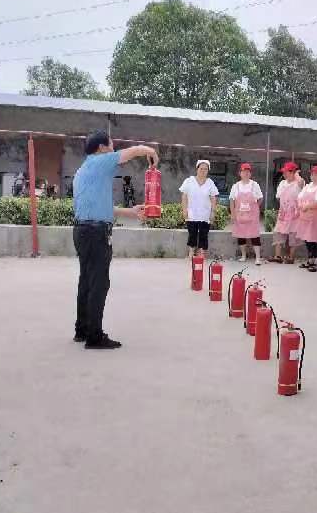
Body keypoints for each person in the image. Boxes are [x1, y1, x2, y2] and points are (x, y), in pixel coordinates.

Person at [72, 131, 158, 349]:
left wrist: (131, 212)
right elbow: (132, 152)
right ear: (101, 148)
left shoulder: (83, 170)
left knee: (87, 281)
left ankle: (82, 330)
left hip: (82, 231)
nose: (113, 150)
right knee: (99, 283)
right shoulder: (101, 161)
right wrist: (150, 151)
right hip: (96, 234)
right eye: (111, 145)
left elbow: (99, 207)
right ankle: (94, 337)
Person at [179, 160, 219, 258]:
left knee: (203, 234)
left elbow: (213, 198)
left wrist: (213, 212)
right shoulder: (189, 181)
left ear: (208, 171)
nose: (203, 171)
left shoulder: (210, 183)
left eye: (205, 169)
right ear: (197, 169)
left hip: (205, 214)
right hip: (192, 213)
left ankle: (201, 252)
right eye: (201, 168)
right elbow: (184, 196)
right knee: (192, 233)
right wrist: (184, 210)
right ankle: (191, 252)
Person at [229, 162, 263, 265]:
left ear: (250, 173)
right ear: (240, 173)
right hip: (240, 216)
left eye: (248, 171)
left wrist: (254, 208)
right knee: (241, 235)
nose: (246, 173)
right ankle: (243, 256)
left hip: (252, 217)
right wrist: (233, 214)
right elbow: (232, 200)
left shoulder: (255, 185)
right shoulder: (236, 186)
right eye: (244, 171)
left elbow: (260, 198)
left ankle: (258, 258)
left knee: (255, 236)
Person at [297, 166, 317, 272]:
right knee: (307, 239)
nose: (313, 176)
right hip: (305, 217)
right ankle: (310, 259)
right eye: (312, 174)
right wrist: (301, 205)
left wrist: (307, 206)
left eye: (315, 174)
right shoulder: (308, 186)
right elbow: (300, 197)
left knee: (316, 239)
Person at [271, 161, 304, 263]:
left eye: (286, 172)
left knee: (293, 234)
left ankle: (291, 257)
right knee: (278, 232)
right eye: (284, 172)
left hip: (295, 213)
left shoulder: (298, 183)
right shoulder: (282, 183)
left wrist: (297, 174)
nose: (284, 174)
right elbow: (278, 197)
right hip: (284, 212)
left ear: (293, 172)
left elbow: (301, 183)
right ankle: (277, 256)